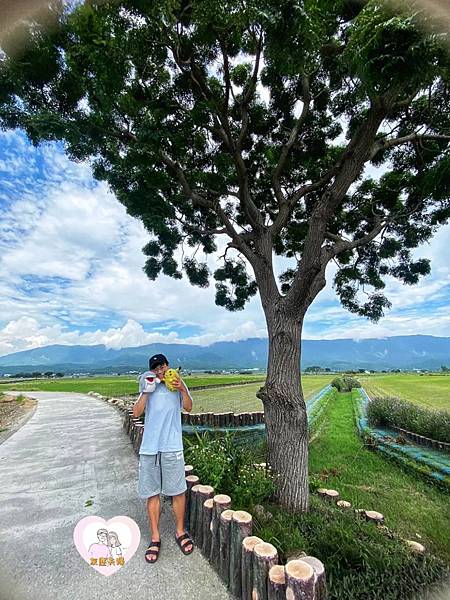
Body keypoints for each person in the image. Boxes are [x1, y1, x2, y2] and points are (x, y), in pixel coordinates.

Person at [133, 353, 194, 564]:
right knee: (152, 493)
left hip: (172, 446)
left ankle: (179, 531)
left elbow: (188, 407)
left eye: (162, 366)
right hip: (150, 448)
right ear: (151, 370)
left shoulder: (177, 382)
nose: (160, 371)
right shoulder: (147, 383)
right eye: (156, 368)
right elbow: (136, 412)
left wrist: (181, 388)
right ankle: (155, 537)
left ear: (168, 366)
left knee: (178, 490)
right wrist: (147, 391)